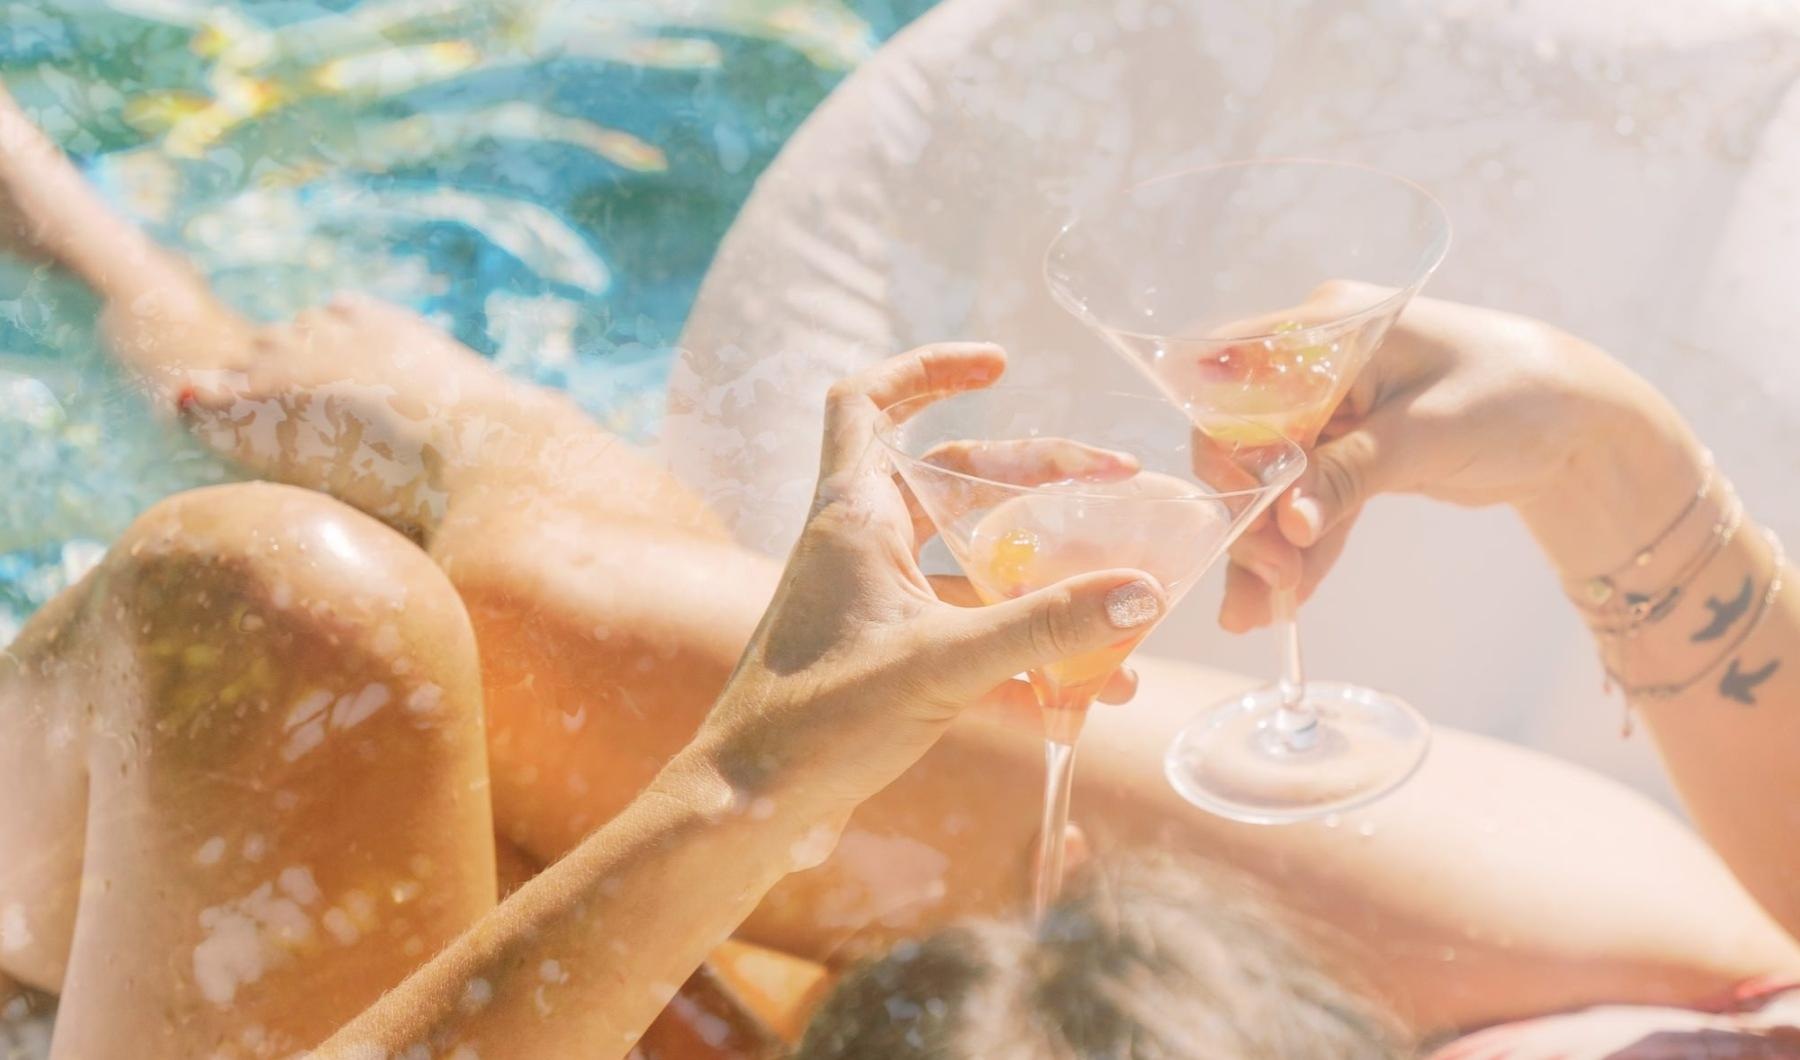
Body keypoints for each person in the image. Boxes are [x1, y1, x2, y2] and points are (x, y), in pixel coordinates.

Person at [2, 83, 1798, 1057]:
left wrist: (747, 783)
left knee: (281, 618)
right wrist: (1613, 466)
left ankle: (243, 354)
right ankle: (202, 314)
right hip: (1684, 984)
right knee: (539, 611)